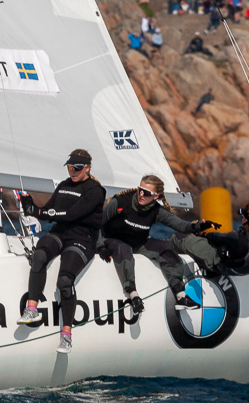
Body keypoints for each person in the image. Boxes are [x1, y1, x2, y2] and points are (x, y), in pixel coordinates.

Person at [18, 150, 106, 355]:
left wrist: (40, 212)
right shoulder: (64, 185)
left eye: (77, 168)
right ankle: (32, 309)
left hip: (83, 237)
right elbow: (50, 210)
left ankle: (66, 336)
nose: (73, 172)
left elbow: (73, 214)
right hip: (60, 232)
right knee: (39, 255)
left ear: (87, 168)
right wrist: (31, 207)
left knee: (65, 281)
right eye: (70, 168)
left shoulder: (95, 190)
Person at [96, 176, 215, 314]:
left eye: (146, 193)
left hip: (137, 242)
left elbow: (181, 226)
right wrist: (100, 246)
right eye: (140, 190)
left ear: (155, 196)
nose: (141, 195)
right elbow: (96, 224)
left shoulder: (156, 211)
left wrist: (200, 226)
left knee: (166, 248)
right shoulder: (121, 202)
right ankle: (133, 296)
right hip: (112, 240)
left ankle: (181, 296)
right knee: (123, 248)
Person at [171, 202, 249, 284]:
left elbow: (216, 237)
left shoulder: (238, 237)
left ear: (246, 220)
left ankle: (161, 247)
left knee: (179, 238)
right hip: (239, 271)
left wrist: (202, 233)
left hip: (220, 264)